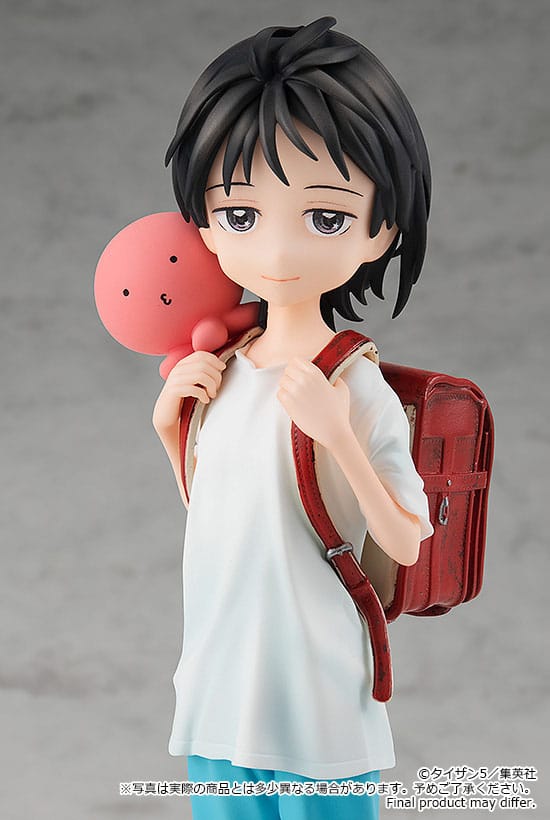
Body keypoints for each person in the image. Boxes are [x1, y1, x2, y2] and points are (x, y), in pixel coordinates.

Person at [153, 17, 434, 820]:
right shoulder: (228, 369)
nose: (277, 251)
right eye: (241, 215)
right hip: (220, 675)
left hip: (313, 682)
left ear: (381, 230)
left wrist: (337, 431)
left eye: (326, 217)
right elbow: (222, 514)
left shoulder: (353, 384)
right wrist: (173, 427)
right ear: (205, 222)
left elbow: (407, 538)